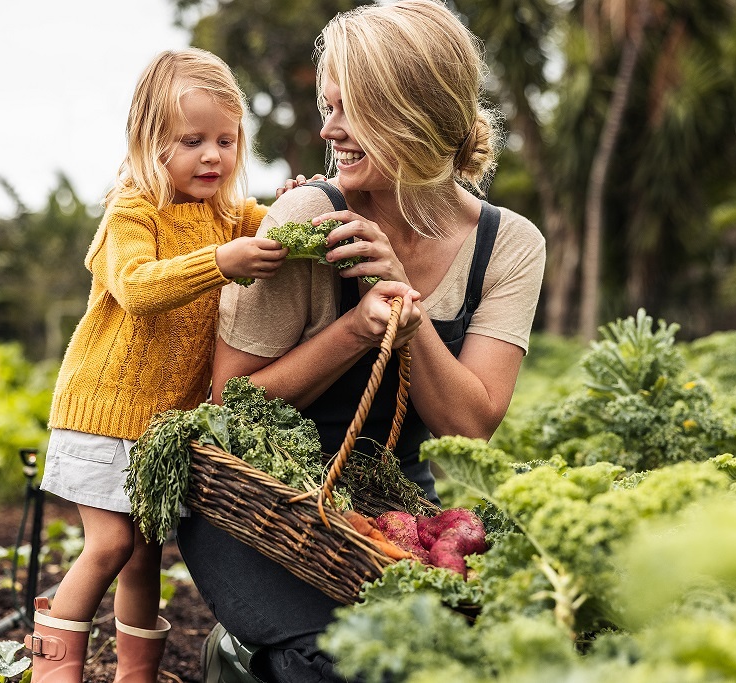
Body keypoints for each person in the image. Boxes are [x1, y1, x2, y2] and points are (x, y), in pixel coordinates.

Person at [175, 2, 546, 681]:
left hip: (388, 510)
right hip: (263, 506)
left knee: (471, 659)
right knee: (337, 664)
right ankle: (237, 654)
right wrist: (354, 330)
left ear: (411, 112)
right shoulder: (309, 216)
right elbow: (229, 403)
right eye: (328, 106)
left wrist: (406, 309)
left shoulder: (508, 245)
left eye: (348, 110)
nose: (327, 129)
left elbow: (470, 421)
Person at [25, 48, 290, 683]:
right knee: (111, 546)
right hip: (104, 411)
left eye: (226, 141)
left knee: (145, 559)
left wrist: (295, 200)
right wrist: (222, 262)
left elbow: (276, 226)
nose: (212, 157)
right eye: (192, 140)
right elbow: (139, 286)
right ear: (151, 142)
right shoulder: (133, 211)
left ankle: (134, 676)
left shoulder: (228, 213)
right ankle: (53, 672)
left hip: (158, 431)